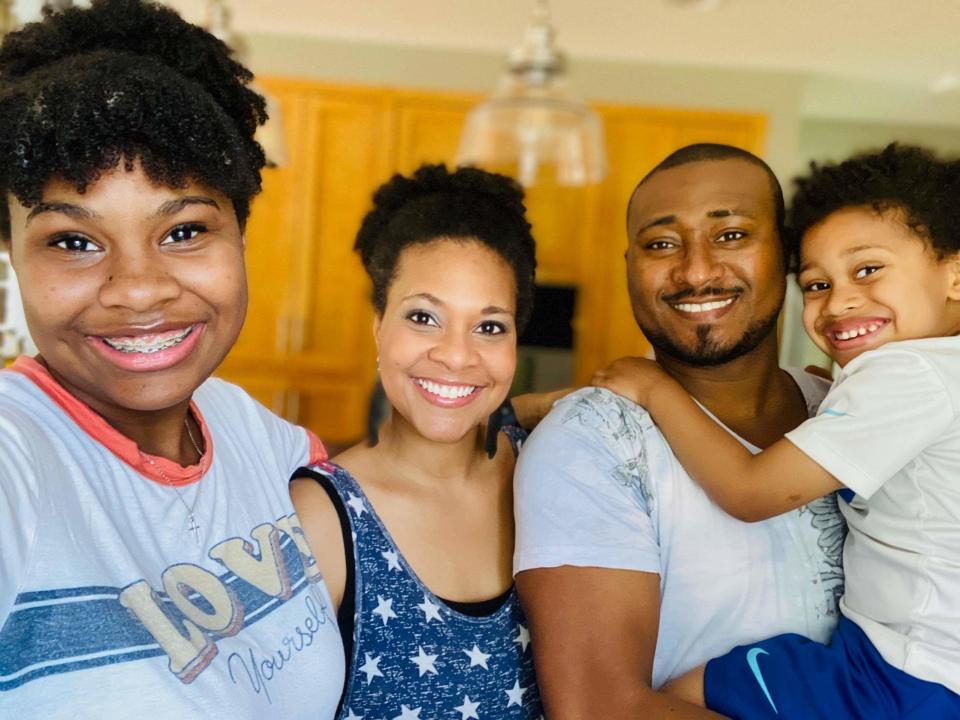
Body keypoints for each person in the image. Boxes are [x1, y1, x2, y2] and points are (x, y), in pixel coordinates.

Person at [0, 1, 344, 716]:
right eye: (72, 241)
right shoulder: (16, 457)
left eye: (184, 230)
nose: (139, 289)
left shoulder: (261, 436)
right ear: (11, 254)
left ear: (241, 234)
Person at [597, 143, 960, 718]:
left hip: (905, 678)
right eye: (815, 285)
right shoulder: (936, 374)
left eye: (868, 270)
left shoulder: (908, 373)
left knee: (673, 698)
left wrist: (654, 389)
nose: (840, 300)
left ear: (955, 273)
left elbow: (751, 491)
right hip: (925, 672)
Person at [513, 144, 845, 718]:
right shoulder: (593, 438)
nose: (695, 271)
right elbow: (601, 709)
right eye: (661, 245)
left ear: (789, 254)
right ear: (629, 268)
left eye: (732, 235)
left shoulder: (846, 410)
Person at [291, 164, 544, 720]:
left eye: (490, 326)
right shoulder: (321, 516)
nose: (456, 355)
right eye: (424, 317)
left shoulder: (549, 468)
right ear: (379, 324)